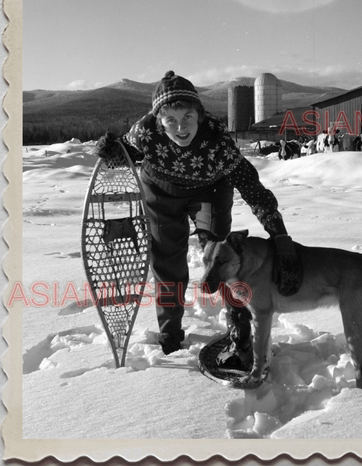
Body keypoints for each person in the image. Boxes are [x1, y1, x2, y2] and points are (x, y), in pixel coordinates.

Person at [96, 71, 300, 366]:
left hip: (211, 189)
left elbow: (253, 189)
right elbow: (124, 152)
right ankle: (170, 334)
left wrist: (280, 236)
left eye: (188, 117)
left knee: (224, 253)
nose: (181, 128)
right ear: (159, 120)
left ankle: (238, 326)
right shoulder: (145, 132)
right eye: (171, 120)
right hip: (160, 192)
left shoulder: (217, 140)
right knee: (167, 262)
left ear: (199, 115)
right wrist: (112, 151)